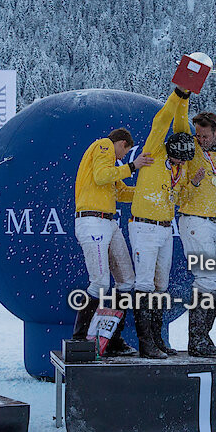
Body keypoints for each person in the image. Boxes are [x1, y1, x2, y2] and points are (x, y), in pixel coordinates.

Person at [129, 86, 205, 359]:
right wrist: (178, 95)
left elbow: (182, 128)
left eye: (183, 160)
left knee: (162, 285)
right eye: (177, 158)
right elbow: (162, 122)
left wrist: (187, 101)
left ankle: (158, 338)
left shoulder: (180, 166)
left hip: (165, 228)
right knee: (145, 284)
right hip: (144, 225)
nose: (179, 162)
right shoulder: (154, 154)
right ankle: (145, 343)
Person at [73, 128, 153, 356]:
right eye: (124, 152)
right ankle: (79, 339)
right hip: (92, 220)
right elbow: (101, 176)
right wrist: (132, 166)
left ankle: (111, 339)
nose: (122, 157)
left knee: (127, 281)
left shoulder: (111, 166)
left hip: (107, 220)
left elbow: (122, 193)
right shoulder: (104, 145)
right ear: (121, 143)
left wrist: (148, 192)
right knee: (99, 283)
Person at [176, 104, 216, 358]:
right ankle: (195, 340)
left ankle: (204, 337)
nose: (200, 139)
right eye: (198, 135)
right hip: (194, 218)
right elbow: (178, 191)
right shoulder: (189, 152)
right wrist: (195, 180)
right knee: (207, 278)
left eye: (205, 135)